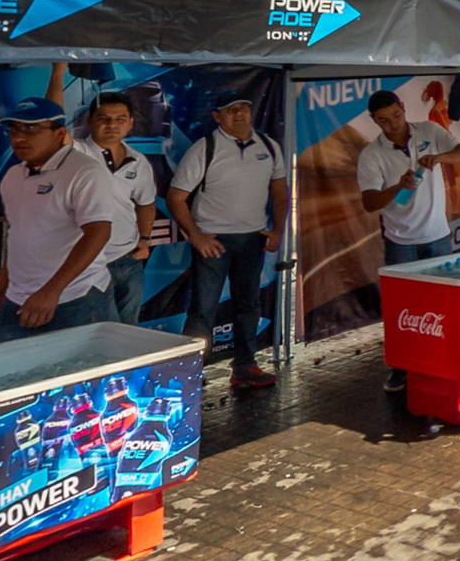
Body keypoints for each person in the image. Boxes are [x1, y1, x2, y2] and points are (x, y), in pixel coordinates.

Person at [166, 91, 288, 388]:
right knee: (203, 309)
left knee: (249, 305)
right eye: (230, 110)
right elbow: (175, 197)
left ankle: (245, 367)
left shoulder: (269, 146)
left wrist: (278, 231)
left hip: (252, 239)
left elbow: (281, 192)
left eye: (243, 108)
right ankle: (190, 373)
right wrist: (196, 236)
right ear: (217, 116)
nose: (239, 114)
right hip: (214, 241)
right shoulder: (205, 148)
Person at [358, 89, 460, 392]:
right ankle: (402, 367)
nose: (392, 124)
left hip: (438, 236)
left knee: (444, 305)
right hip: (401, 241)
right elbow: (370, 202)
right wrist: (397, 186)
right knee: (403, 309)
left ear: (402, 107)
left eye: (396, 115)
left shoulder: (429, 130)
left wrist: (439, 157)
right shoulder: (372, 154)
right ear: (374, 121)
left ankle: (443, 360)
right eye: (383, 120)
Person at [0, 98, 120, 339]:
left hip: (77, 296)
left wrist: (51, 291)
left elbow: (98, 233)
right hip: (19, 298)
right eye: (14, 130)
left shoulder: (85, 172)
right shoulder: (13, 176)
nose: (20, 137)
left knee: (84, 373)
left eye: (31, 129)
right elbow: (19, 237)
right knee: (13, 373)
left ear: (59, 133)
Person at [46, 66, 157, 327]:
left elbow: (146, 204)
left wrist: (145, 239)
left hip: (129, 262)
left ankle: (126, 371)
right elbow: (52, 123)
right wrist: (58, 74)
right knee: (94, 333)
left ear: (131, 123)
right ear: (90, 121)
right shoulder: (77, 153)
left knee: (128, 329)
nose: (112, 125)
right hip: (89, 265)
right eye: (104, 118)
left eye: (120, 119)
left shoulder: (138, 162)